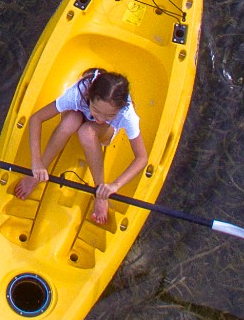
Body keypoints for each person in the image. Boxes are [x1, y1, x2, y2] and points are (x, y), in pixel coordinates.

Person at [12, 67, 145, 226]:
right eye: (96, 110)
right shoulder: (79, 92)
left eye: (109, 115)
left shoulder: (127, 113)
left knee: (87, 132)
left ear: (120, 109)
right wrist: (36, 162)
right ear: (89, 96)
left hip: (101, 134)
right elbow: (36, 119)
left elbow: (141, 157)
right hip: (75, 115)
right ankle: (37, 174)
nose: (100, 118)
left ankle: (100, 193)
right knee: (71, 121)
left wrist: (115, 185)